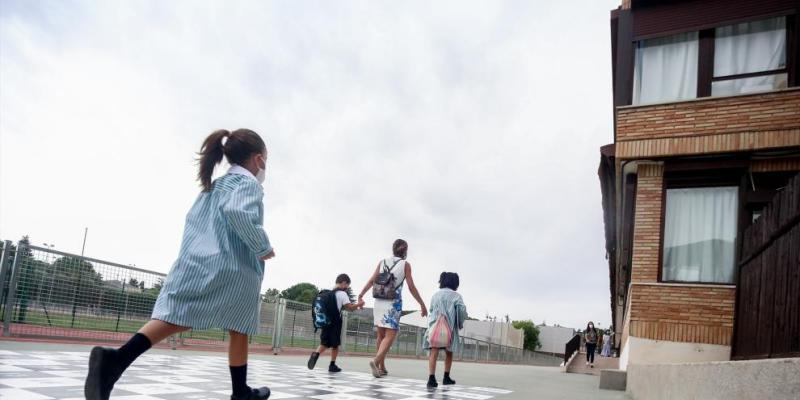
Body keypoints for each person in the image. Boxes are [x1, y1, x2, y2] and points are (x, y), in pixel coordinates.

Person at [84, 129, 276, 400]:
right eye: (266, 158)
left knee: (176, 315)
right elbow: (237, 212)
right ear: (259, 159)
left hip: (197, 260)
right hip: (233, 266)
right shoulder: (247, 184)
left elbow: (194, 222)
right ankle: (239, 392)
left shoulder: (214, 186)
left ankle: (116, 361)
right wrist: (262, 246)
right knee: (240, 325)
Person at [357, 239, 428, 378]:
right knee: (390, 335)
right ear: (405, 250)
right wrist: (422, 304)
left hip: (378, 301)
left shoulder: (382, 262)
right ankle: (376, 361)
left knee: (380, 335)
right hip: (393, 303)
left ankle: (381, 367)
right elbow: (411, 287)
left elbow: (372, 280)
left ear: (393, 249)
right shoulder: (405, 265)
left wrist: (361, 294)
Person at [308, 274, 365, 372]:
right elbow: (350, 308)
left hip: (325, 321)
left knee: (324, 342)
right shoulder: (342, 294)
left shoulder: (328, 293)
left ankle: (316, 354)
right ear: (343, 283)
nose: (347, 288)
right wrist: (360, 304)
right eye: (347, 285)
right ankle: (332, 365)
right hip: (335, 322)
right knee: (335, 344)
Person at [423, 272, 467, 389]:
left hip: (435, 327)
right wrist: (460, 323)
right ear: (455, 283)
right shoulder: (457, 296)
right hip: (450, 328)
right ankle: (446, 377)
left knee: (434, 352)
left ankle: (431, 378)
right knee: (449, 352)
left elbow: (431, 310)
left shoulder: (435, 295)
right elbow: (462, 311)